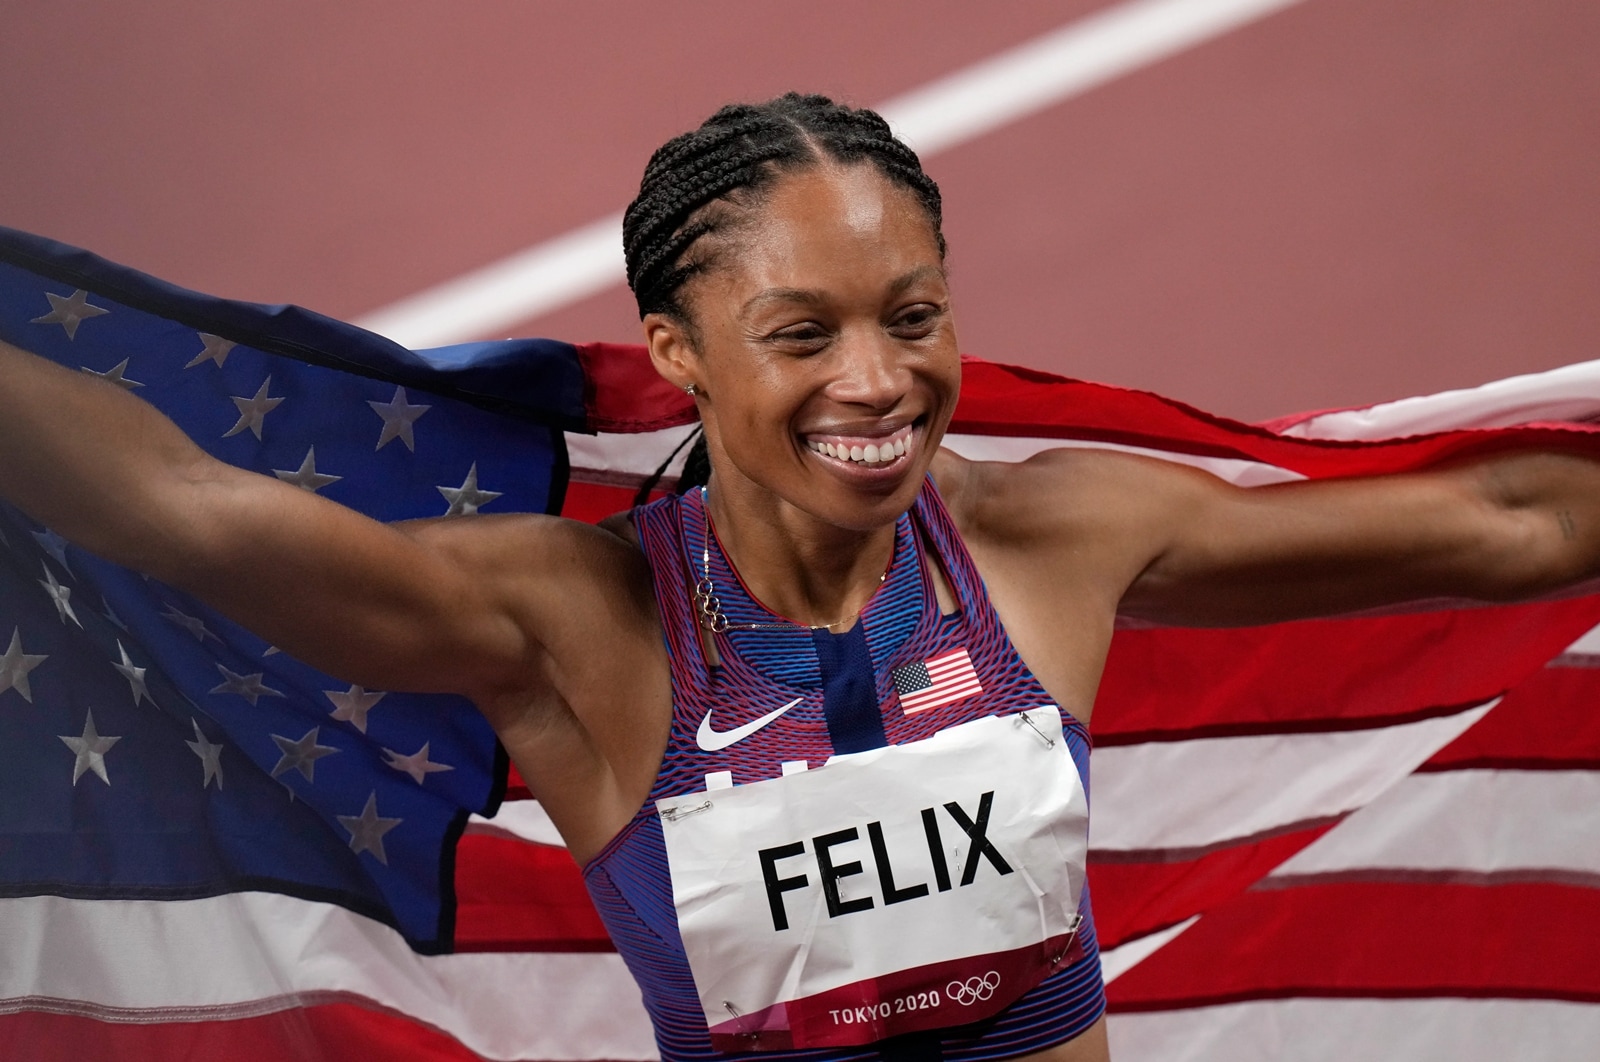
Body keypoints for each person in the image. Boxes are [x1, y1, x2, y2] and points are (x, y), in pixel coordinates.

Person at [2, 93, 1599, 1062]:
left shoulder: (1050, 542)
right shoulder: (580, 630)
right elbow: (185, 509)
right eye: (801, 333)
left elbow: (1512, 524)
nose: (876, 380)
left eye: (913, 315)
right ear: (681, 354)